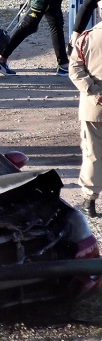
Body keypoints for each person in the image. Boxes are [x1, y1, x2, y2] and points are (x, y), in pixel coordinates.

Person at [69, 27, 102, 217]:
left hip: (94, 107)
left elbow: (75, 69)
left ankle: (89, 202)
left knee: (93, 154)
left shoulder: (87, 37)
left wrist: (94, 92)